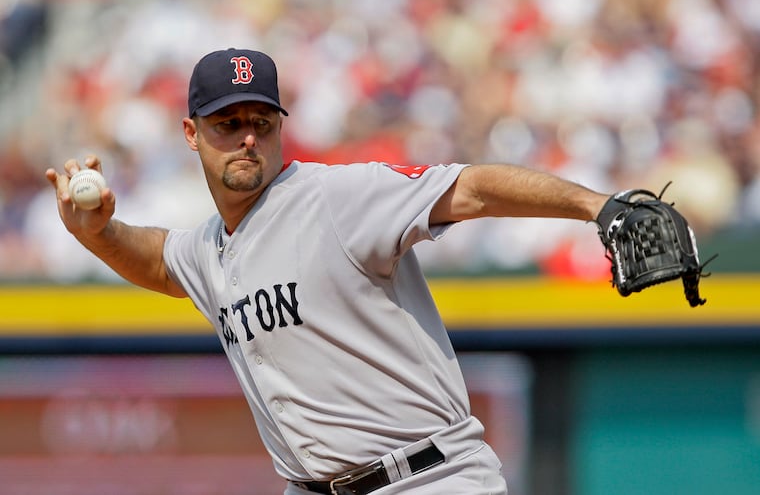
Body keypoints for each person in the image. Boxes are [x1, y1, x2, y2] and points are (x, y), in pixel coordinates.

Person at [46, 48, 610, 495]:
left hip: (426, 479)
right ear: (191, 134)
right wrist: (96, 232)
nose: (247, 136)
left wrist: (598, 207)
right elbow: (157, 259)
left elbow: (472, 189)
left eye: (261, 121)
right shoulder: (209, 248)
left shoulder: (337, 196)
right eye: (227, 122)